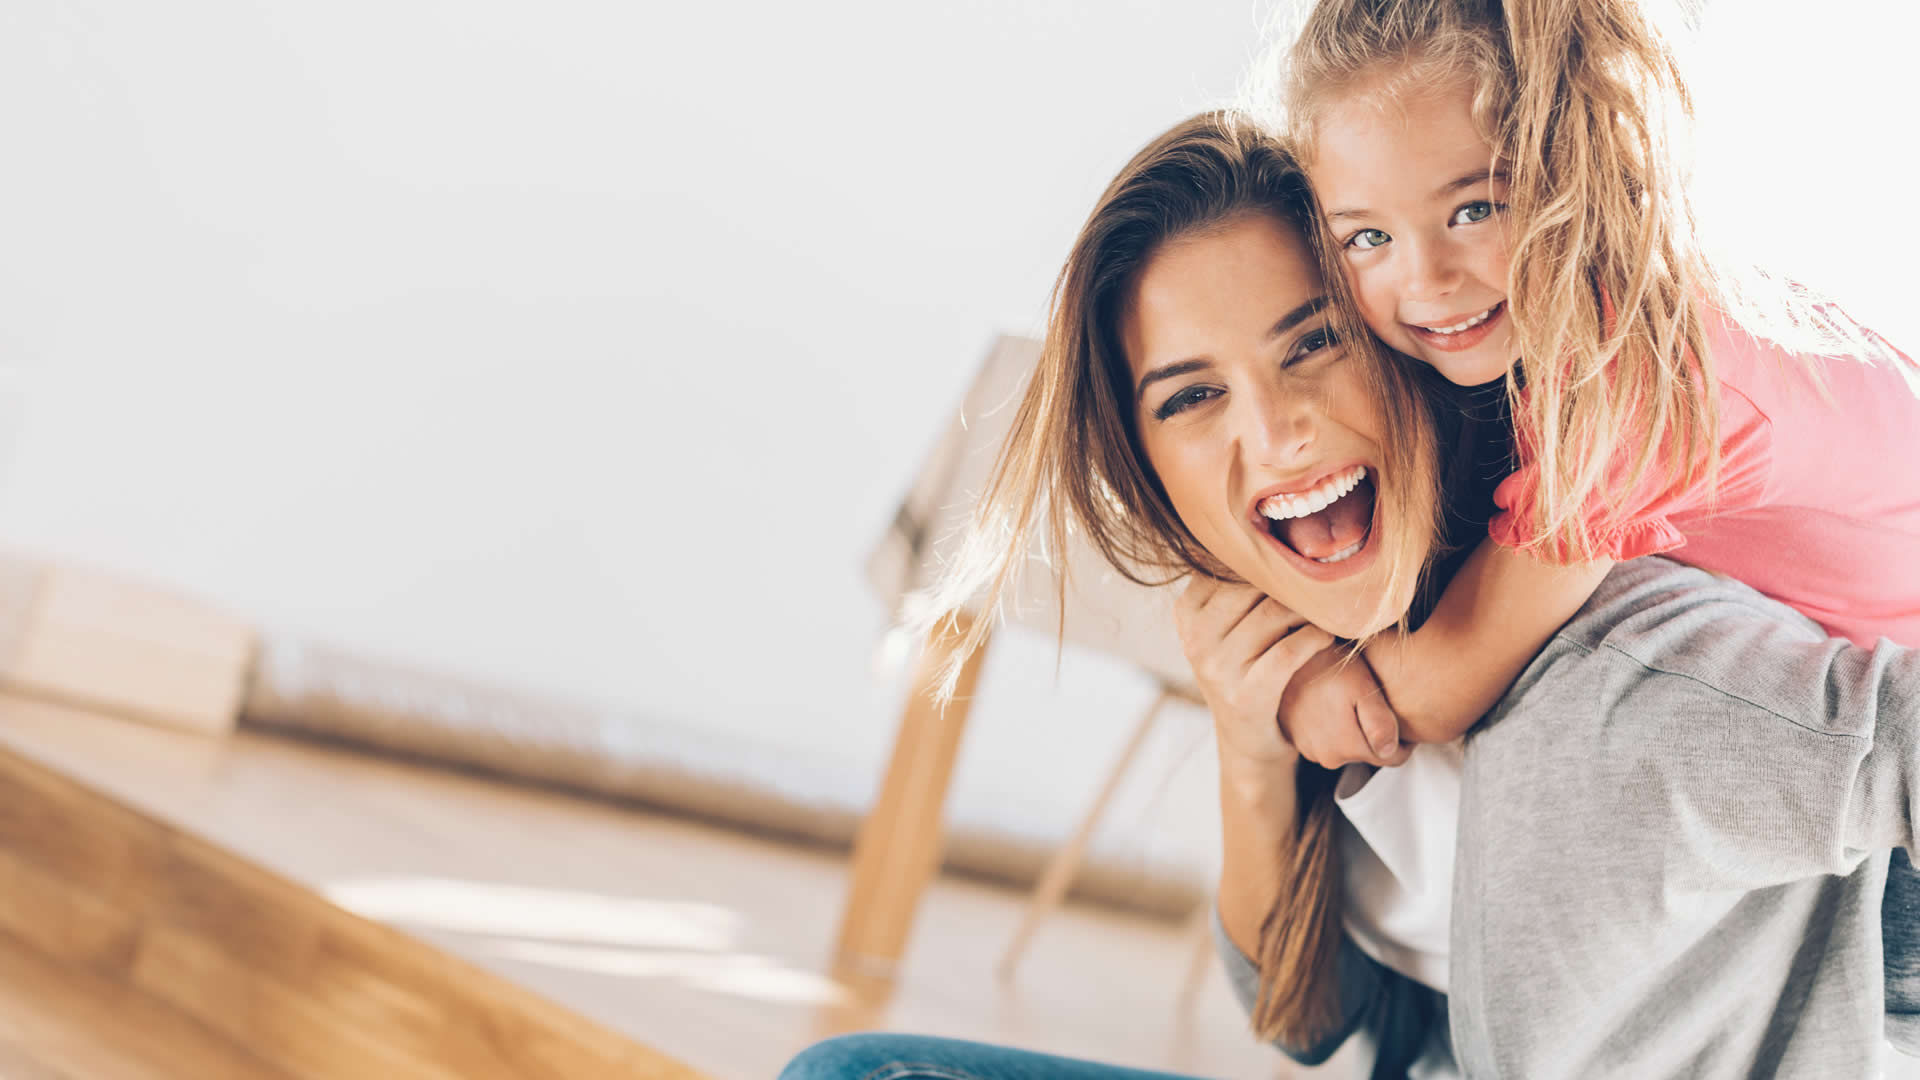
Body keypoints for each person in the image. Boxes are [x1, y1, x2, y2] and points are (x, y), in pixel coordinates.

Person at [780, 111, 1920, 1080]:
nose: (1273, 434)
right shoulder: (1329, 658)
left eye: (1313, 345)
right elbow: (1313, 1016)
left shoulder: (1631, 666)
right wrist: (1253, 746)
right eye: (1190, 399)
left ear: (1408, 342)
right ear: (1148, 464)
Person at [1250, 0, 1920, 1054]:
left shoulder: (1627, 373)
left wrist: (1290, 683)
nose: (1426, 277)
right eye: (1368, 238)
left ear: (1576, 169)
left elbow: (1433, 689)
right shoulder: (1598, 331)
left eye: (1477, 208)